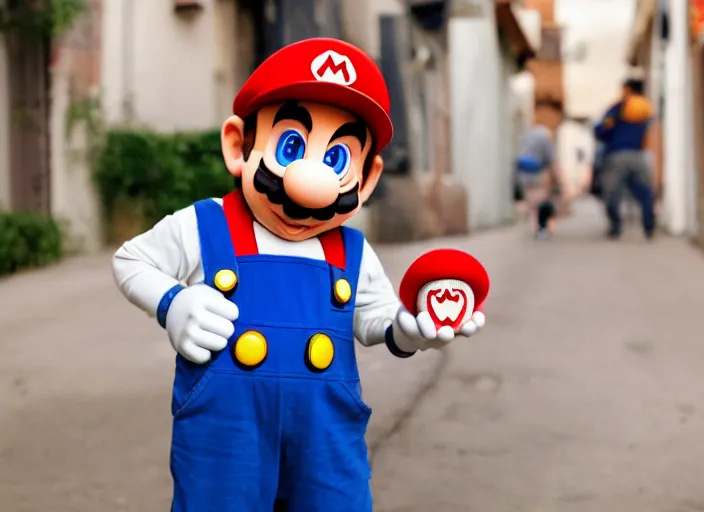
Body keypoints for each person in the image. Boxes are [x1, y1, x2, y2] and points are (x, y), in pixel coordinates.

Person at [111, 38, 487, 512]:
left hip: (325, 438)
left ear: (366, 180)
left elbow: (373, 315)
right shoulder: (204, 225)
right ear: (238, 146)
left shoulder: (351, 249)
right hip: (226, 434)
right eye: (290, 145)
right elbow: (131, 260)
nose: (312, 185)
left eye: (337, 160)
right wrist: (172, 302)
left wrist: (405, 330)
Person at [593, 77, 655, 240]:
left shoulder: (620, 107)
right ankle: (649, 227)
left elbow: (603, 129)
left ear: (627, 89)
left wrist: (603, 133)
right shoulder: (646, 108)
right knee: (644, 192)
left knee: (612, 192)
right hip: (638, 155)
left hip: (616, 155)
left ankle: (615, 227)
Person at [515, 123, 563, 240]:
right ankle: (541, 228)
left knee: (532, 202)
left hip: (524, 175)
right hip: (539, 175)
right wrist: (557, 178)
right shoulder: (545, 140)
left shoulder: (524, 139)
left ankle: (535, 226)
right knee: (542, 201)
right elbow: (550, 159)